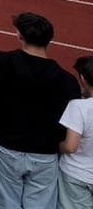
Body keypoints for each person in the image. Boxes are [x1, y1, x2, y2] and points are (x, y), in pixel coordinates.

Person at [0, 11, 81, 209]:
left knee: (6, 204)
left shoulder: (0, 61)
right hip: (44, 154)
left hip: (5, 147)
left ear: (20, 35)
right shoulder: (68, 81)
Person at [63, 57, 93, 209]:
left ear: (83, 78)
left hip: (77, 174)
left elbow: (70, 147)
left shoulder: (78, 106)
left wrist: (57, 146)